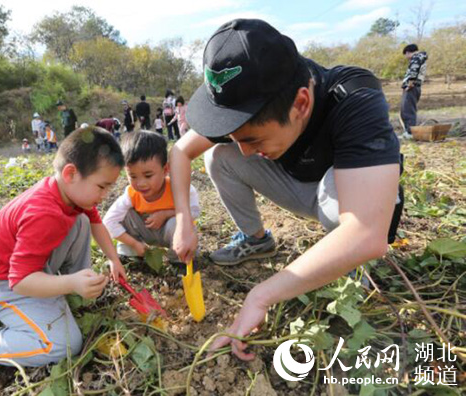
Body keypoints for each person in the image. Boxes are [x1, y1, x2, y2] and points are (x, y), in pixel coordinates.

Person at [169, 19, 403, 360]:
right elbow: (179, 151)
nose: (246, 151)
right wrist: (183, 221)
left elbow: (367, 231)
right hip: (299, 184)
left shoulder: (353, 98)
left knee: (344, 214)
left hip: (348, 197)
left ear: (302, 104)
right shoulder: (251, 98)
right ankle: (256, 238)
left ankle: (350, 267)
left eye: (253, 139)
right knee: (220, 156)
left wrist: (261, 295)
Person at [0, 127, 127, 379]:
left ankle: (65, 295)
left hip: (26, 272)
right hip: (1, 283)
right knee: (65, 345)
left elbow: (95, 223)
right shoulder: (44, 213)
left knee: (81, 220)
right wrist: (71, 282)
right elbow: (20, 281)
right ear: (71, 173)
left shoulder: (69, 194)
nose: (105, 196)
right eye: (102, 187)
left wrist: (113, 259)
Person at [103, 131, 200, 263]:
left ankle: (179, 259)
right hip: (145, 232)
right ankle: (132, 253)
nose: (141, 183)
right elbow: (109, 221)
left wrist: (166, 214)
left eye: (148, 175)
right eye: (133, 176)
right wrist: (133, 243)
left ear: (165, 170)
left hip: (173, 234)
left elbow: (194, 211)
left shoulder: (178, 187)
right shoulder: (131, 194)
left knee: (177, 222)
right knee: (125, 215)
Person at [400, 44, 428, 140]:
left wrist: (409, 84)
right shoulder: (420, 58)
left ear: (408, 52)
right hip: (415, 87)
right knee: (407, 109)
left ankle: (410, 133)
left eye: (406, 55)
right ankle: (409, 131)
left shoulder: (416, 58)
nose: (406, 58)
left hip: (412, 87)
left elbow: (413, 72)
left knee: (407, 110)